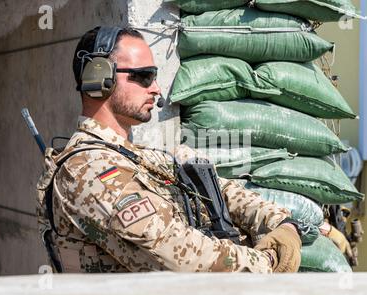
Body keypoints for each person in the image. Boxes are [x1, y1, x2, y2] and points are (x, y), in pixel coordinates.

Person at [35, 26, 315, 273]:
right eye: (143, 76)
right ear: (100, 78)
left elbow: (217, 188)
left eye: (154, 76)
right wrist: (268, 262)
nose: (156, 89)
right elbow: (179, 256)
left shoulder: (137, 157)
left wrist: (282, 224)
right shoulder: (88, 172)